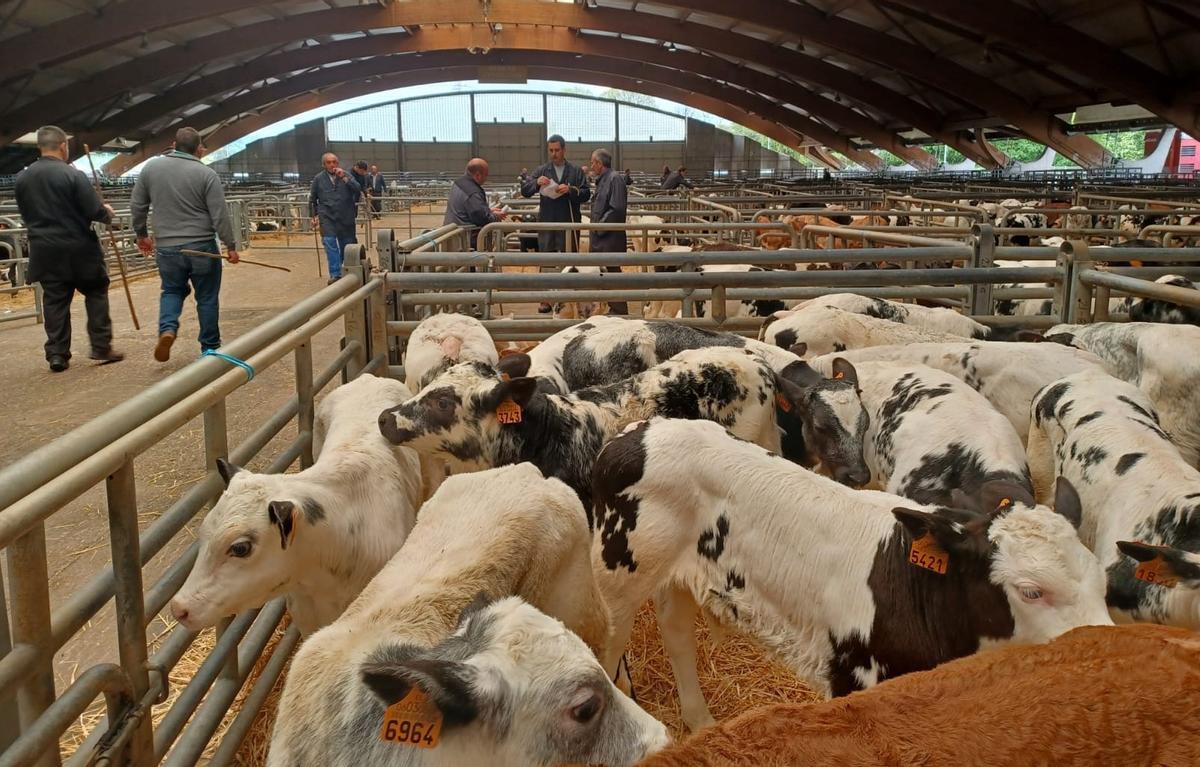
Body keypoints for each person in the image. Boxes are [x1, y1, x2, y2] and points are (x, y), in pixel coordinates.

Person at [14, 125, 124, 372]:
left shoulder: (23, 178)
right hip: (78, 248)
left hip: (44, 249)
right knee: (96, 291)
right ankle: (100, 346)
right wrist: (106, 212)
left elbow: (25, 212)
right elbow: (92, 210)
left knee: (54, 301)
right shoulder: (73, 175)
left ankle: (57, 354)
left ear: (40, 146)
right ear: (63, 145)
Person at [132, 126, 239, 363]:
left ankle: (168, 329)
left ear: (173, 144)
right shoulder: (205, 174)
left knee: (171, 290)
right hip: (202, 246)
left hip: (168, 247)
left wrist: (141, 234)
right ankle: (209, 349)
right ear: (199, 149)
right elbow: (219, 214)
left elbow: (137, 205)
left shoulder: (151, 168)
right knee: (207, 297)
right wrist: (230, 245)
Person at [519, 135, 591, 253]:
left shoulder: (576, 171)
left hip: (569, 223)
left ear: (564, 150)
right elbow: (525, 191)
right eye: (551, 150)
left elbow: (586, 194)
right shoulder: (541, 170)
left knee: (568, 264)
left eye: (557, 150)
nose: (554, 154)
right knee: (548, 262)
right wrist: (536, 183)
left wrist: (570, 190)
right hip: (547, 225)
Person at [588, 148, 629, 316]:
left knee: (612, 273)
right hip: (602, 239)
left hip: (610, 239)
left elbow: (617, 209)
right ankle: (613, 308)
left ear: (599, 163)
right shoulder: (604, 180)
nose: (591, 165)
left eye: (593, 162)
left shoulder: (615, 179)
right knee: (606, 274)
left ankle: (619, 311)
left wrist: (599, 228)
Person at [309, 152, 361, 283]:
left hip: (345, 216)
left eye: (334, 162)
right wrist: (313, 215)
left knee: (347, 246)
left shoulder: (346, 175)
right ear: (324, 164)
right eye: (328, 162)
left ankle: (347, 270)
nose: (332, 165)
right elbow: (312, 199)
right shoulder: (318, 179)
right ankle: (335, 274)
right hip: (327, 217)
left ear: (338, 163)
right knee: (330, 243)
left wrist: (344, 178)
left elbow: (357, 189)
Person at [444, 158, 506, 250]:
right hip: (465, 241)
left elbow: (469, 209)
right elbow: (482, 218)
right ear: (477, 175)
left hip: (452, 234)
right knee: (469, 264)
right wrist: (496, 217)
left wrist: (488, 210)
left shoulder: (458, 182)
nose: (486, 178)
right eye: (485, 175)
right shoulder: (473, 192)